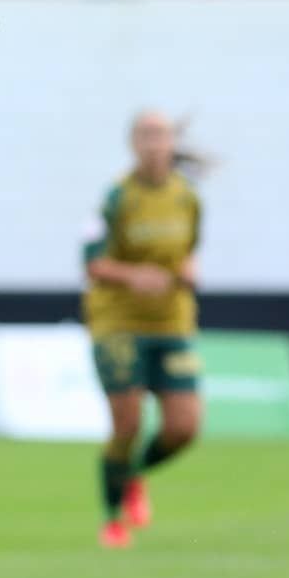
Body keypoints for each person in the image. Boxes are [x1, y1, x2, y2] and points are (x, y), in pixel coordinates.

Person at [82, 110, 205, 548]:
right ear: (133, 144)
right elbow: (93, 262)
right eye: (146, 136)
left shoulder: (187, 197)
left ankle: (133, 475)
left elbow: (189, 251)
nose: (155, 144)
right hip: (119, 324)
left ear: (172, 142)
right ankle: (112, 519)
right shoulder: (116, 198)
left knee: (184, 428)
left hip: (172, 321)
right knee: (128, 422)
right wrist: (134, 276)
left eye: (161, 135)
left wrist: (190, 271)